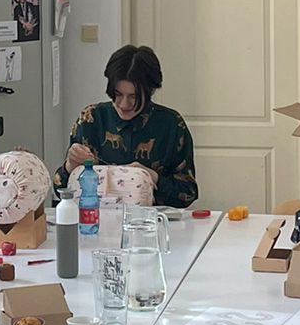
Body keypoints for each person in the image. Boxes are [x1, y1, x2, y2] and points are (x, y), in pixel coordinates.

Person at [57, 44, 198, 209]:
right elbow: (60, 189)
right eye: (117, 95)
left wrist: (153, 177)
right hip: (96, 219)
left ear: (151, 90)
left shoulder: (171, 125)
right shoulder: (91, 119)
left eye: (134, 97)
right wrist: (70, 166)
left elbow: (188, 194)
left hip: (152, 220)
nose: (124, 104)